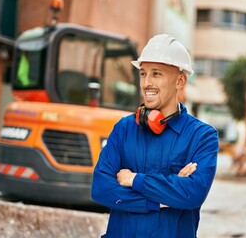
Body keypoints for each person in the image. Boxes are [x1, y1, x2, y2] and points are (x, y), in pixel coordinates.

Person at [91, 34, 219, 238]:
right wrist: (161, 198)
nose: (146, 83)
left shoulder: (202, 137)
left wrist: (133, 179)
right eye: (143, 74)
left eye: (156, 74)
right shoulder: (124, 128)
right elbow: (101, 188)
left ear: (180, 81)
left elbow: (192, 193)